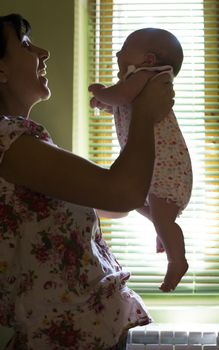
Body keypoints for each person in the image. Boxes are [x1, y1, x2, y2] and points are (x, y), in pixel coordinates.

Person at [0, 14, 174, 350]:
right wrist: (143, 114)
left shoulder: (22, 142)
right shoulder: (8, 141)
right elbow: (120, 192)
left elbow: (103, 204)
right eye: (24, 44)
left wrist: (153, 211)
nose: (43, 51)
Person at [89, 27, 193, 293]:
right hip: (157, 168)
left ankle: (177, 259)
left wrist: (101, 92)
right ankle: (163, 230)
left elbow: (122, 96)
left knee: (163, 217)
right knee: (138, 204)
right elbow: (124, 103)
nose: (118, 52)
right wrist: (106, 104)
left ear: (147, 59)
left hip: (165, 166)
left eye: (125, 47)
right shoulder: (142, 81)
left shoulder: (147, 76)